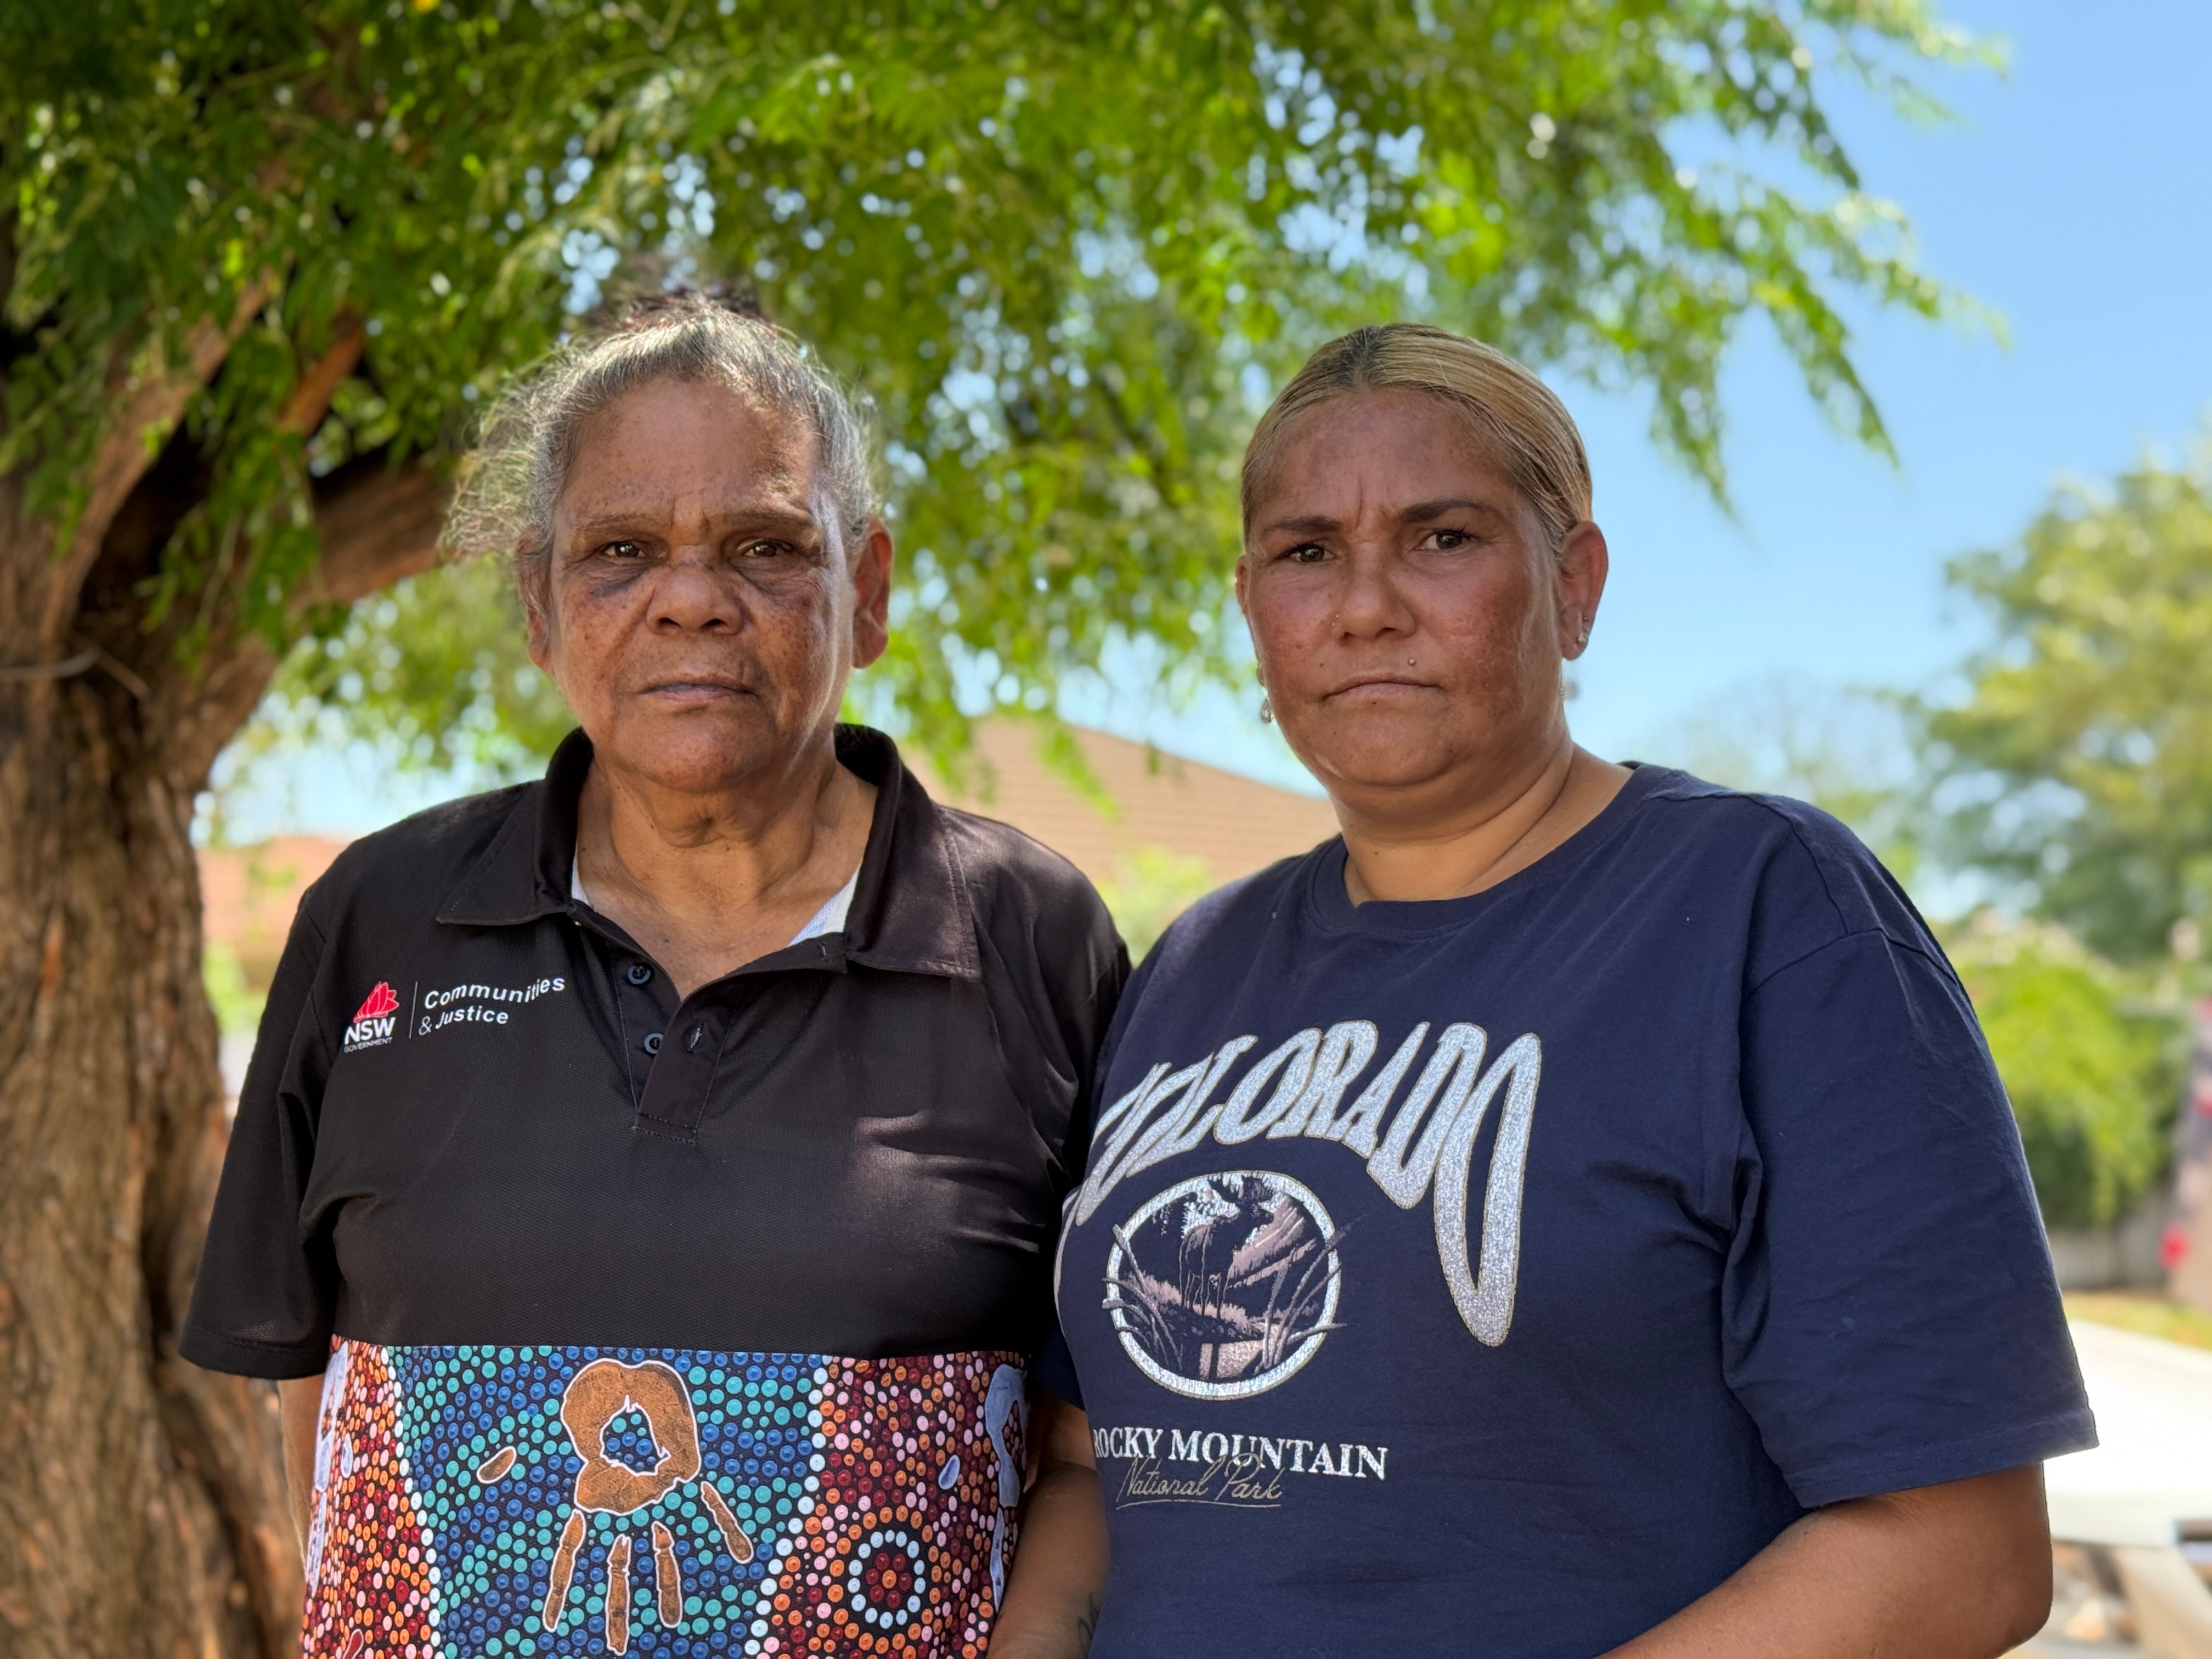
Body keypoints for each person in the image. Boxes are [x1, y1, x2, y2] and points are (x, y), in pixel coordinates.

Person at [1001, 324, 2093, 1658]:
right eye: (1306, 553)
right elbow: (1095, 1466)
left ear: (1574, 585)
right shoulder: (1193, 967)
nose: (1364, 606)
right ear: (1252, 611)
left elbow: (1962, 1552)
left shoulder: (1763, 910)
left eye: (1442, 537)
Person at [181, 294, 1126, 1658]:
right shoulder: (378, 920)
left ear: (868, 592)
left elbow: (1092, 1449)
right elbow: (311, 1402)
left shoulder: (1030, 936)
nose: (692, 597)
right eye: (622, 551)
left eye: (766, 546)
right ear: (538, 605)